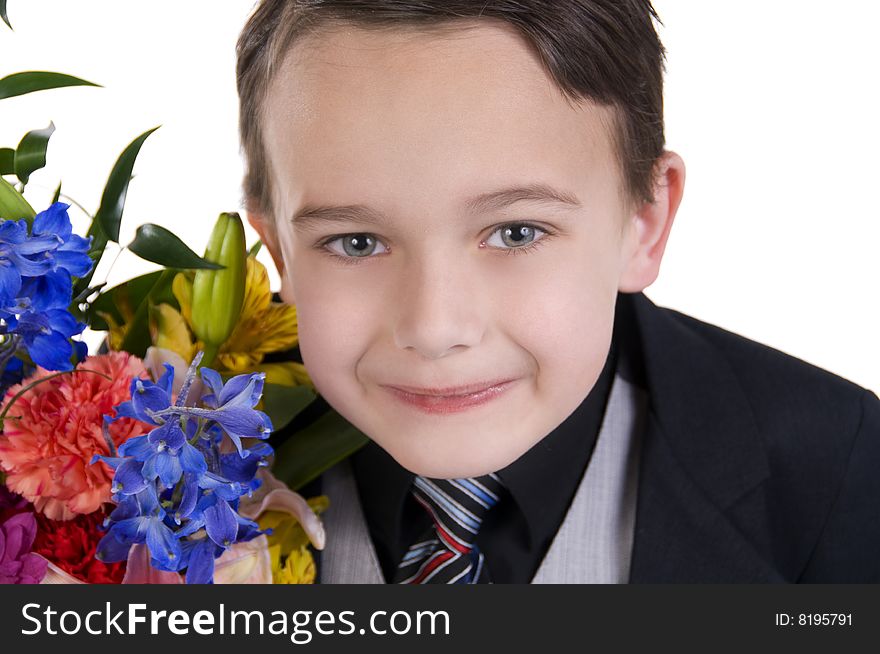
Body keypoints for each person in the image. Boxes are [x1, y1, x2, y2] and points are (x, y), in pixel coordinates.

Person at [236, 0, 880, 583]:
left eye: (516, 233)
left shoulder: (840, 468)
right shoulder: (148, 452)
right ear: (278, 252)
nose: (435, 328)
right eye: (356, 243)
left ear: (644, 224)